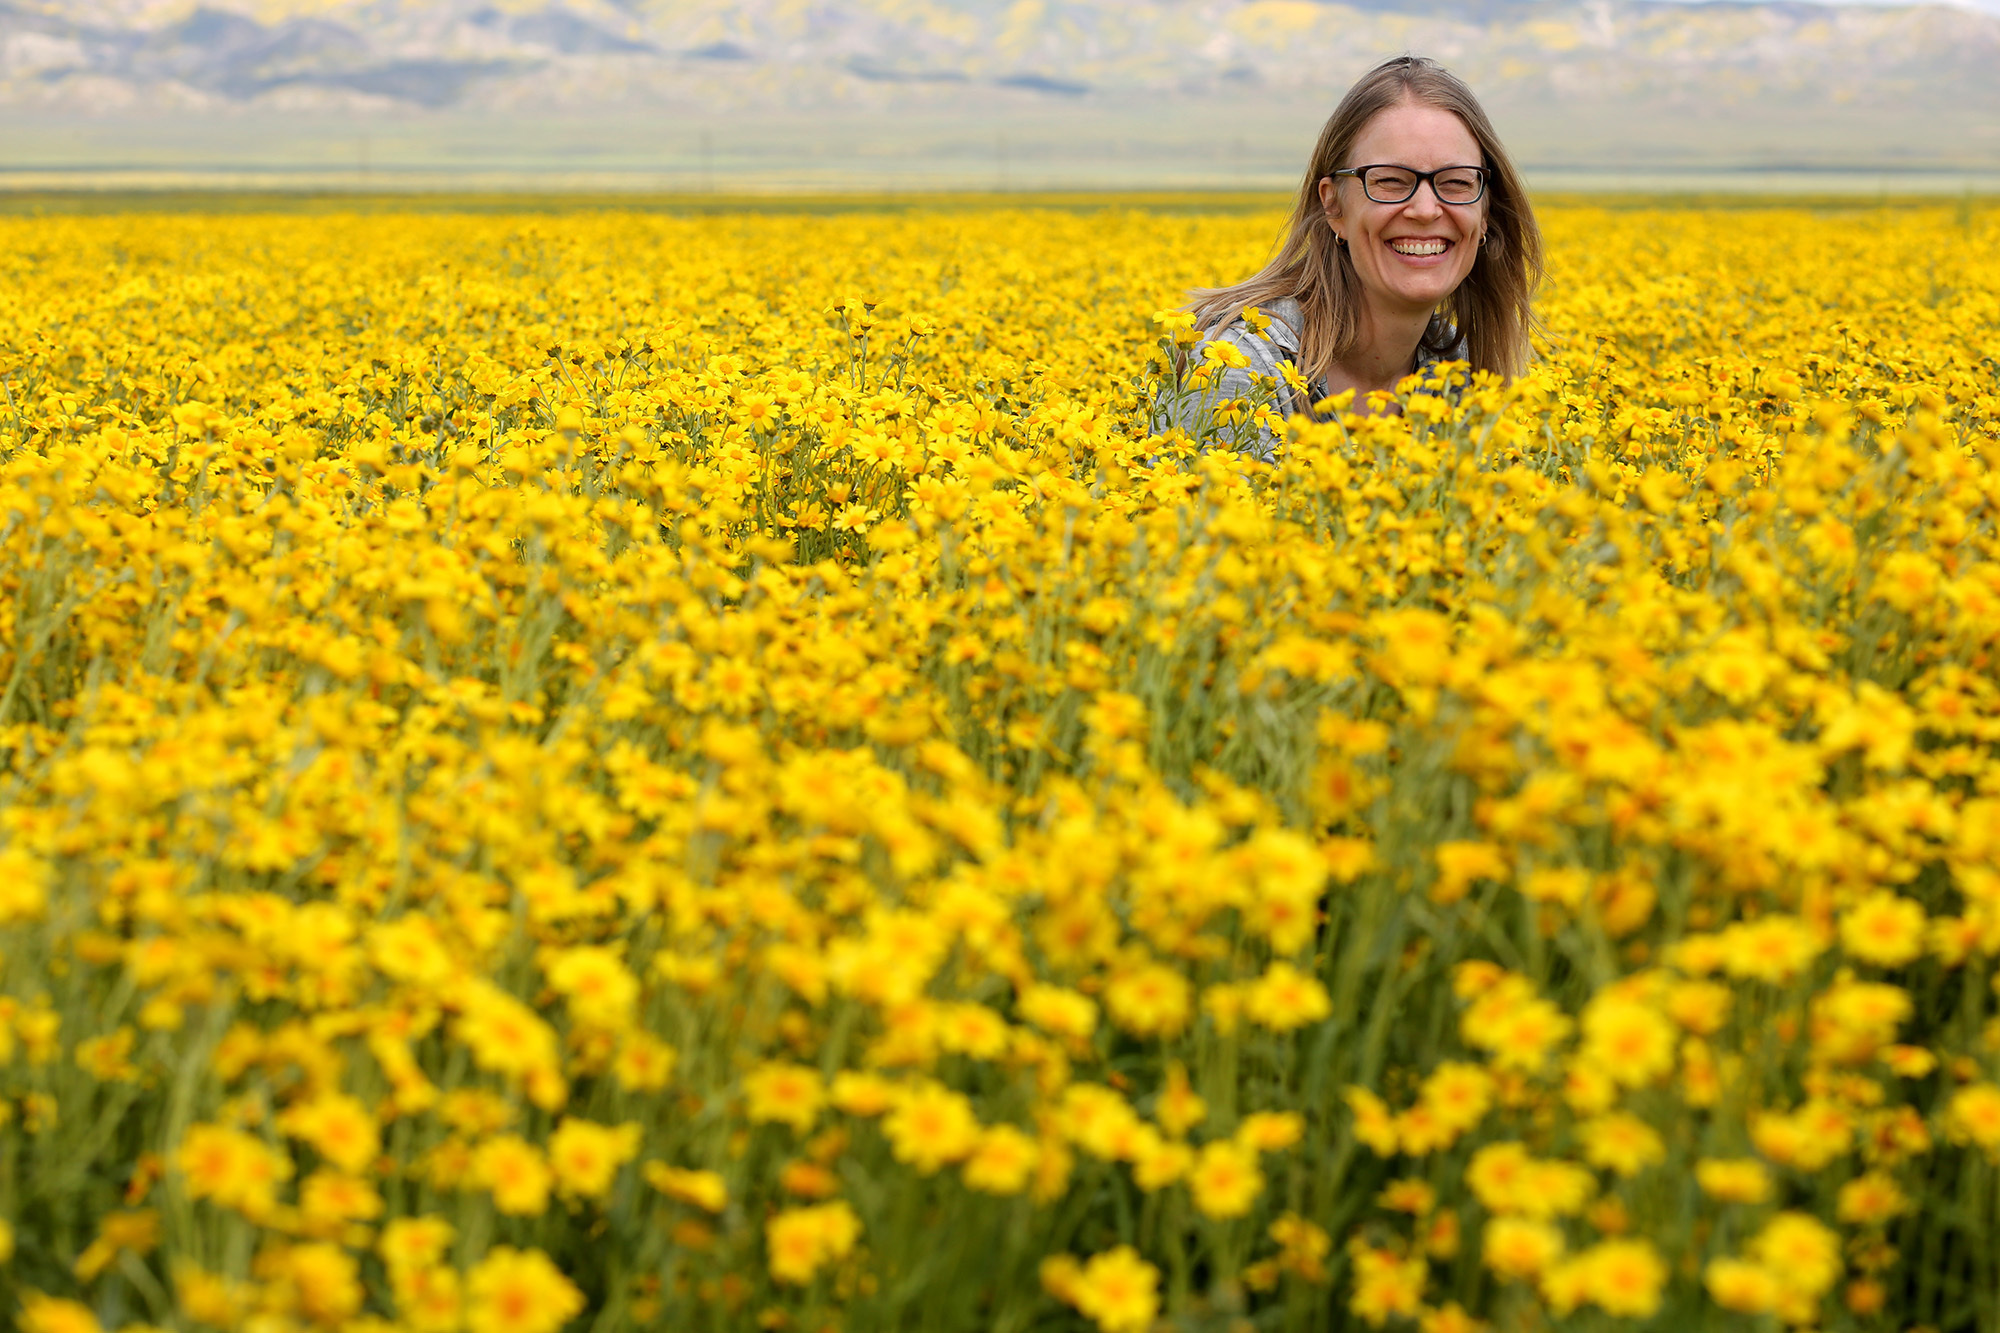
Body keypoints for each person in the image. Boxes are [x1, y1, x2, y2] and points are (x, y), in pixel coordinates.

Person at [1162, 55, 1543, 459]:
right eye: (1391, 182)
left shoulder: (1458, 371)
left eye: (1456, 182)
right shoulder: (1239, 367)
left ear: (1485, 214)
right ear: (1333, 206)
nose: (1427, 209)